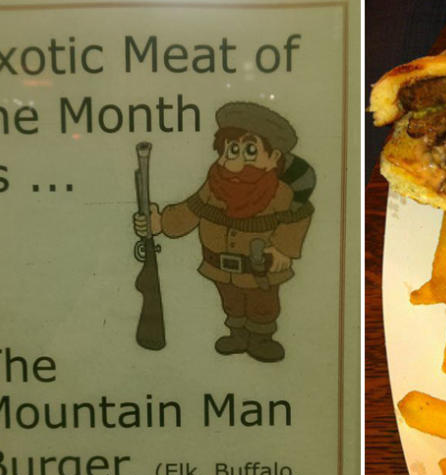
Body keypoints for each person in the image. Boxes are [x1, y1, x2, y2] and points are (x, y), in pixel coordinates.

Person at [133, 101, 314, 362]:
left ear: (274, 158)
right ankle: (237, 334)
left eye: (250, 150)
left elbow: (298, 217)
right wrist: (160, 223)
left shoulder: (279, 193)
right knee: (231, 303)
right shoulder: (214, 185)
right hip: (220, 267)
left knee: (263, 306)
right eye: (232, 148)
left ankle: (261, 338)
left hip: (260, 270)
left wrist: (284, 249)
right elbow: (190, 210)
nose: (236, 159)